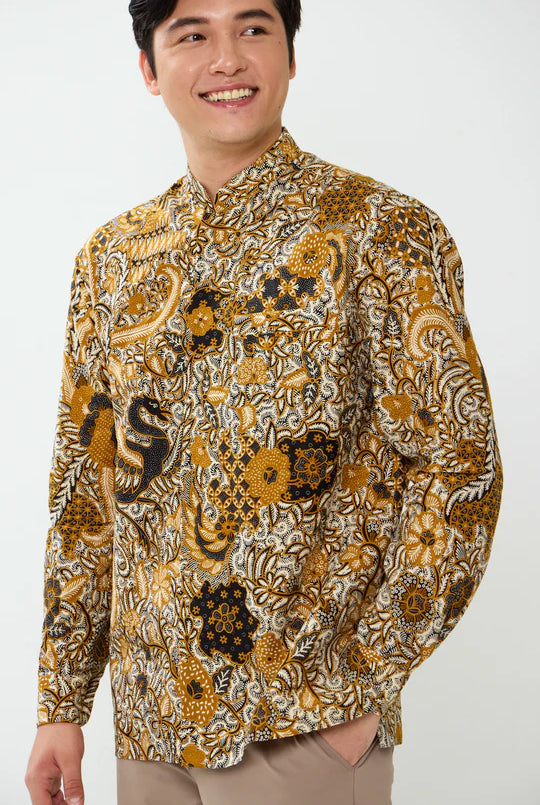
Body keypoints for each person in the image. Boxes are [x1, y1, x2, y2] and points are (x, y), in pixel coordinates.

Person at [25, 1, 503, 803]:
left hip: (300, 725)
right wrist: (61, 704)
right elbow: (88, 491)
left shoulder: (381, 232)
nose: (227, 59)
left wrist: (362, 679)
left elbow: (463, 467)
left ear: (290, 53)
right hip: (150, 725)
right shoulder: (111, 260)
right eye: (192, 34)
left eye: (253, 28)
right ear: (149, 67)